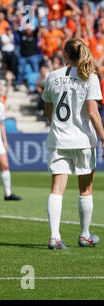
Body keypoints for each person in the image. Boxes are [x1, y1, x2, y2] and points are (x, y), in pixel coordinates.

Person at [41, 38, 104, 250]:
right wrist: (103, 139)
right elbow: (93, 113)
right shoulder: (90, 77)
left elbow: (48, 110)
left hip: (59, 139)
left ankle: (54, 236)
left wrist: (56, 125)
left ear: (65, 54)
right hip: (83, 140)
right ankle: (85, 235)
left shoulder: (52, 76)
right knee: (85, 189)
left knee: (56, 189)